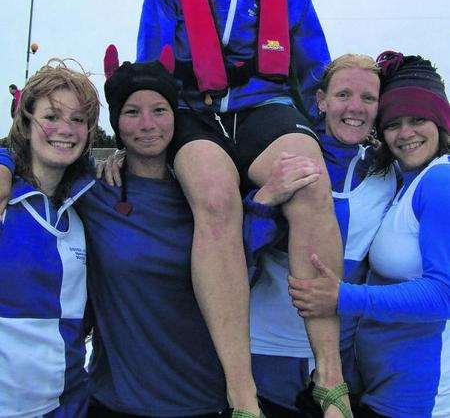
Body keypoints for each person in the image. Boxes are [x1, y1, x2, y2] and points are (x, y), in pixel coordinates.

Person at [137, 0, 345, 417]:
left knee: (310, 177)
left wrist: (338, 138)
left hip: (262, 108)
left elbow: (317, 75)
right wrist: (138, 141)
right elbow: (148, 68)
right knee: (215, 197)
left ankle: (330, 377)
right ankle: (241, 391)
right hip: (194, 112)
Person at [0, 58, 315, 417]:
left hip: (202, 399)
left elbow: (242, 267)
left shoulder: (208, 197)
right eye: (132, 111)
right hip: (112, 402)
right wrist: (4, 161)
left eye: (160, 110)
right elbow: (39, 158)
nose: (147, 124)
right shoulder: (93, 191)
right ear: (116, 123)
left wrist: (263, 202)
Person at [289, 52, 450, 418]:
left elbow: (445, 294)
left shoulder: (441, 181)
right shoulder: (398, 179)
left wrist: (344, 297)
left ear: (441, 122)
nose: (406, 133)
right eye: (394, 123)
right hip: (377, 386)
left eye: (419, 120)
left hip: (420, 395)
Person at [245, 54, 397, 417]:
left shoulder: (390, 171)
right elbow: (237, 257)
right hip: (268, 357)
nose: (355, 108)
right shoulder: (285, 155)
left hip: (345, 366)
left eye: (368, 98)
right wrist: (263, 202)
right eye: (343, 94)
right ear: (321, 101)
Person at [0, 60, 99, 418]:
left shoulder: (85, 209)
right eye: (52, 116)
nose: (65, 130)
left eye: (78, 120)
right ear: (26, 125)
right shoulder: (4, 199)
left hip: (69, 406)